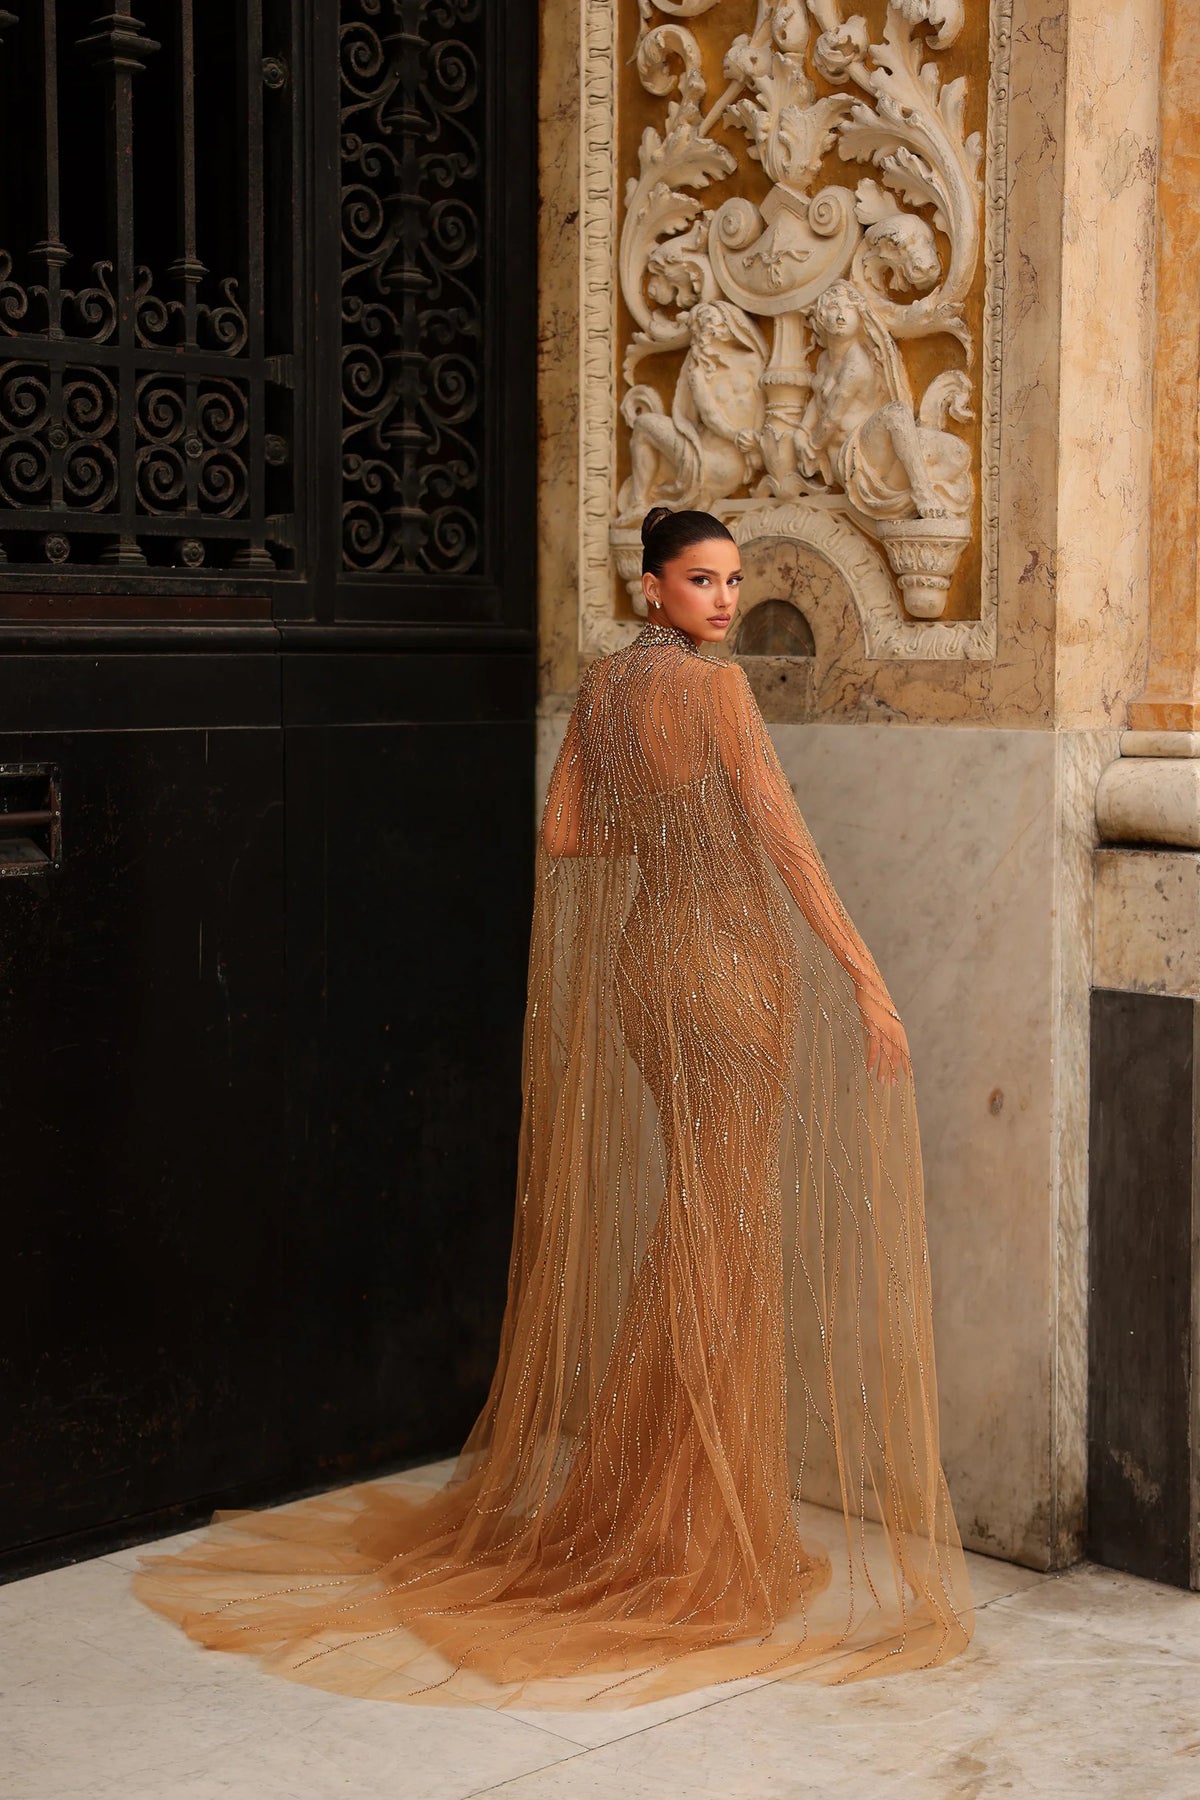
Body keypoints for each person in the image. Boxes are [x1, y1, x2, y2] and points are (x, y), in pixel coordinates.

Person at [132, 506, 973, 1709]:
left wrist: (663, 830)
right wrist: (866, 977)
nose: (724, 601)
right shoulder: (719, 693)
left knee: (699, 1223)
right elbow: (788, 845)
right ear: (653, 588)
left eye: (733, 581)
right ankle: (683, 1526)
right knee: (724, 1232)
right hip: (730, 975)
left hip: (647, 971)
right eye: (702, 580)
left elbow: (567, 834)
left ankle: (661, 1508)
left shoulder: (606, 688)